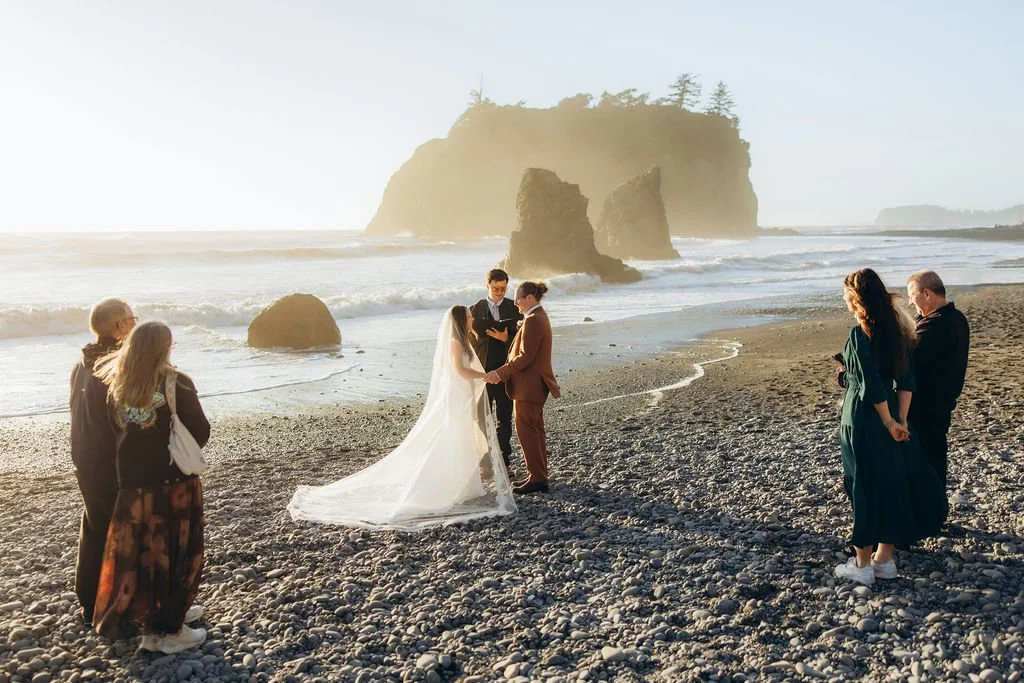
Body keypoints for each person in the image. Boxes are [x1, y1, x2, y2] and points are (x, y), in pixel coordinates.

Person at [288, 305, 517, 530]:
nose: (472, 319)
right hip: (456, 395)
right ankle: (444, 485)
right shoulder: (455, 342)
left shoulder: (466, 340)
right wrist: (485, 376)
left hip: (463, 394)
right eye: (468, 316)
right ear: (460, 320)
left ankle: (466, 486)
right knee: (454, 436)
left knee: (463, 436)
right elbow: (458, 370)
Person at [92, 321, 210, 653]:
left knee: (139, 555)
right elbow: (200, 431)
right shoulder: (177, 382)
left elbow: (111, 433)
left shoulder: (116, 383)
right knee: (177, 552)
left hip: (132, 485)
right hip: (173, 483)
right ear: (165, 347)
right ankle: (168, 633)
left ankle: (154, 621)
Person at [834, 269, 947, 585]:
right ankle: (885, 560)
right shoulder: (899, 332)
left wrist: (886, 421)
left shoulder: (859, 335)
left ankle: (862, 566)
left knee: (862, 486)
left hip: (862, 420)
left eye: (846, 297)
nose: (845, 302)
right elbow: (907, 381)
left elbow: (870, 387)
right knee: (890, 484)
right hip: (895, 418)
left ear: (856, 299)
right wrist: (900, 421)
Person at [69, 298, 136, 622]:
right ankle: (117, 606)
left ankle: (89, 599)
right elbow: (125, 418)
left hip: (84, 455)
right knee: (121, 530)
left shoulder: (82, 363)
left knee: (95, 525)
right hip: (109, 460)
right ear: (119, 327)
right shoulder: (116, 365)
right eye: (131, 319)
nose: (135, 324)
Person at [485, 281, 560, 495]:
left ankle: (537, 478)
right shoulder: (537, 317)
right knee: (535, 430)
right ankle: (539, 475)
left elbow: (525, 357)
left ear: (529, 298)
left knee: (527, 431)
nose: (516, 303)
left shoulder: (534, 320)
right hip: (534, 385)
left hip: (529, 386)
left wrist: (500, 373)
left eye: (518, 298)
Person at [906, 270, 970, 492]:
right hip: (943, 401)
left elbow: (908, 360)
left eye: (912, 294)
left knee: (925, 458)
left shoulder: (935, 325)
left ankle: (930, 513)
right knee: (934, 454)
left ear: (927, 294)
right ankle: (935, 510)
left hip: (926, 403)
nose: (909, 300)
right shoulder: (957, 318)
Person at [470, 269, 523, 471]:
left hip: (506, 370)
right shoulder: (474, 309)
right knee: (481, 416)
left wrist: (505, 338)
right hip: (482, 371)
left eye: (503, 289)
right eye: (495, 289)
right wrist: (486, 335)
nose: (500, 292)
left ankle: (504, 460)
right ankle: (485, 460)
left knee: (504, 415)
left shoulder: (514, 308)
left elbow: (522, 340)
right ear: (487, 286)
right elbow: (468, 342)